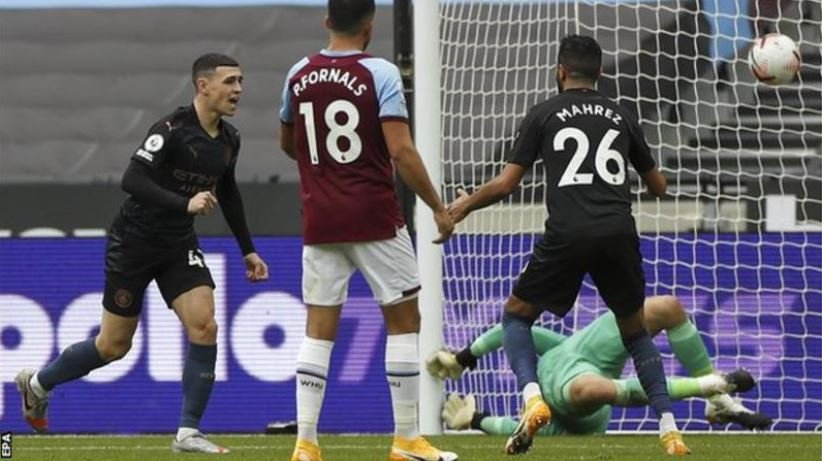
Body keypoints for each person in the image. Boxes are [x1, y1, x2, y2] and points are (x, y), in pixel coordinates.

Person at [14, 53, 269, 454]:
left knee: (205, 326)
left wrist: (248, 251)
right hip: (133, 242)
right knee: (113, 346)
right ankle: (37, 384)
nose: (238, 89)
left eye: (241, 81)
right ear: (203, 86)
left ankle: (188, 433)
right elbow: (132, 178)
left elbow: (229, 192)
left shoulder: (230, 140)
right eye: (230, 81)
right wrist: (184, 203)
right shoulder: (171, 129)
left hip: (178, 244)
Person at [447, 35, 688, 455]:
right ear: (600, 73)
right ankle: (669, 429)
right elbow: (659, 186)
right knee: (635, 333)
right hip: (618, 233)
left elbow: (506, 184)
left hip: (567, 233)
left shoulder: (543, 113)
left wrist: (465, 205)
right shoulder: (621, 115)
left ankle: (532, 398)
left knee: (516, 317)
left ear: (560, 71)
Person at [277, 1, 456, 460]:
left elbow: (290, 142)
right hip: (374, 216)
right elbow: (402, 151)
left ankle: (305, 444)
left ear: (327, 21)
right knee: (404, 323)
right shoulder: (380, 73)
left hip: (320, 218)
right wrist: (438, 207)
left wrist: (326, 173)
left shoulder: (298, 73)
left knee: (318, 330)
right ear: (370, 26)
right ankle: (406, 439)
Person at [427, 295, 773, 436]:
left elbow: (512, 332)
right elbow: (512, 429)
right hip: (582, 398)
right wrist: (475, 419)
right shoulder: (551, 424)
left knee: (666, 308)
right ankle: (711, 385)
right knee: (588, 389)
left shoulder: (556, 350)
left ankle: (717, 399)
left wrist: (462, 358)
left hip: (588, 349)